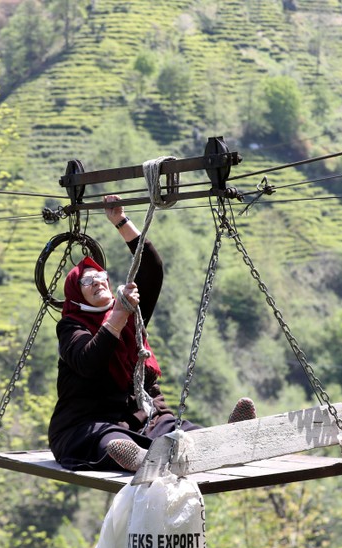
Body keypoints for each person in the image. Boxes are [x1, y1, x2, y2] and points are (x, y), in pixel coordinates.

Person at [48, 195, 256, 472]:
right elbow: (89, 361)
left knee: (183, 434)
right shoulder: (72, 326)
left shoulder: (133, 316)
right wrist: (118, 315)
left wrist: (121, 221)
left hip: (147, 417)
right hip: (89, 423)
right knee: (112, 441)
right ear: (76, 294)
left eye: (101, 277)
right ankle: (139, 460)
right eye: (87, 281)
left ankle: (228, 441)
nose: (97, 281)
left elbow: (151, 269)